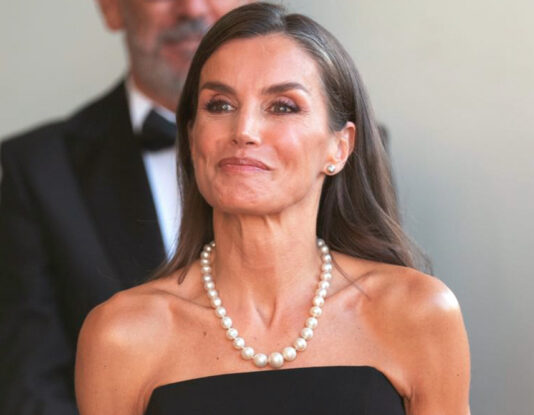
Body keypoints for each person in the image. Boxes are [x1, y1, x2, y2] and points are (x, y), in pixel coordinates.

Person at [75, 3, 471, 414]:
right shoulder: (121, 334)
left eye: (283, 106)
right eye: (219, 105)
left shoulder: (418, 313)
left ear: (340, 147)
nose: (243, 131)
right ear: (192, 139)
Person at [0, 1, 248, 414]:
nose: (190, 8)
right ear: (112, 8)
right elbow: (30, 387)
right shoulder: (38, 170)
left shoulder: (323, 154)